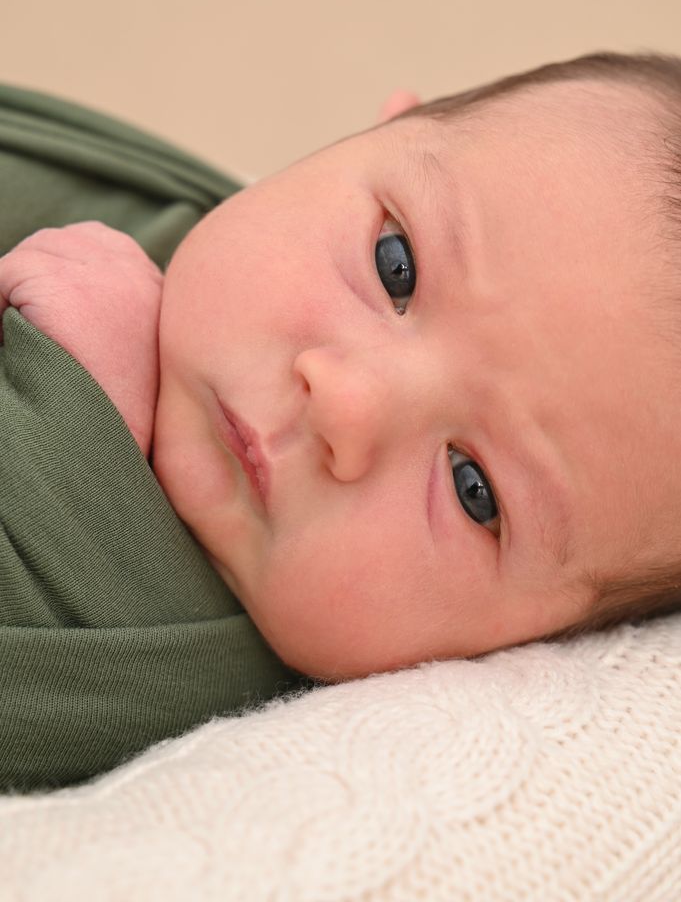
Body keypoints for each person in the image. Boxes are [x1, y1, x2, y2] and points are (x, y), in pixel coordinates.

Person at [2, 50, 681, 779]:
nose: (346, 406)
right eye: (396, 266)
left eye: (473, 489)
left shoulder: (154, 674)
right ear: (369, 135)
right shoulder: (147, 199)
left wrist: (72, 433)